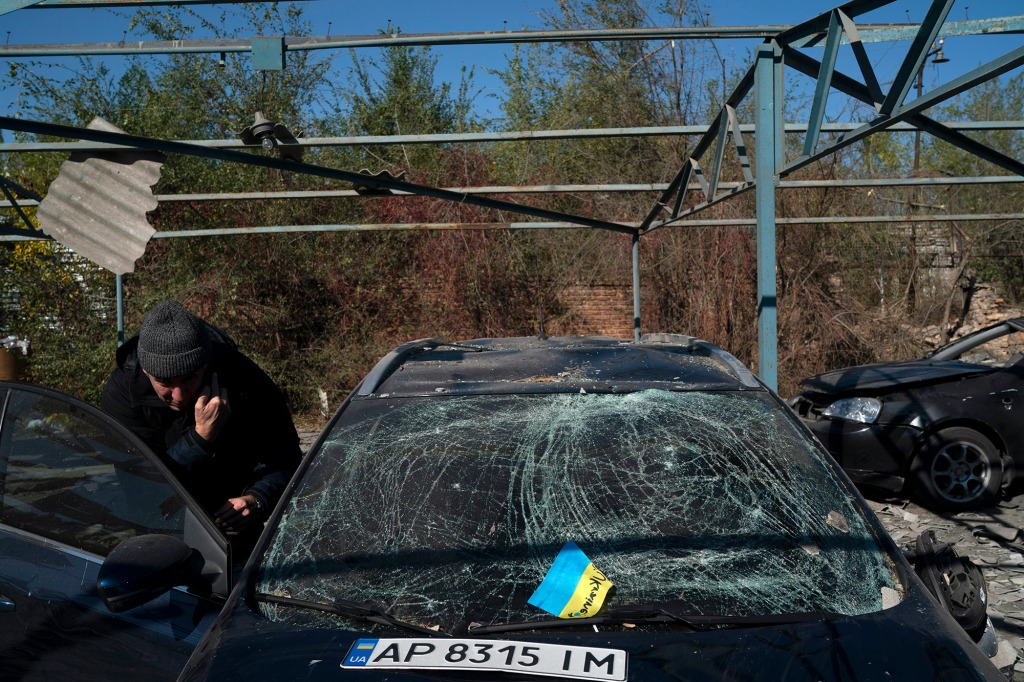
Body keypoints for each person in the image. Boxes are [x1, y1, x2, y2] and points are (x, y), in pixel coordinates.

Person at [101, 300, 302, 555]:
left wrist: (258, 498)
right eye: (164, 382)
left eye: (189, 378)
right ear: (145, 368)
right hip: (160, 532)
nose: (179, 395)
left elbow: (286, 454)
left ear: (205, 364)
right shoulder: (122, 396)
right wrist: (199, 440)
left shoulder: (244, 378)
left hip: (237, 530)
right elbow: (144, 490)